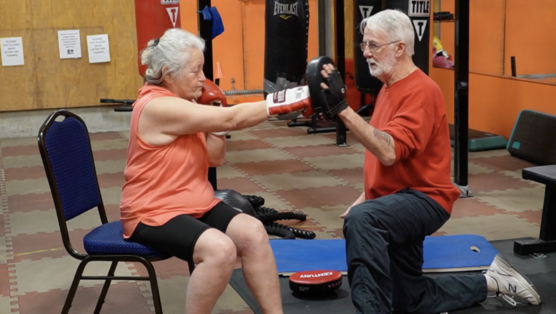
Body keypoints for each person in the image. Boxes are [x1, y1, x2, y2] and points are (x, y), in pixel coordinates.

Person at [314, 9, 541, 314]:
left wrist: (343, 110)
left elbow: (390, 151)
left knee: (364, 220)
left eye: (373, 45)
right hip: (397, 200)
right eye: (364, 45)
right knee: (410, 298)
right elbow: (390, 160)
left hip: (424, 200)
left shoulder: (421, 91)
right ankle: (491, 281)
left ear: (399, 48)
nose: (365, 52)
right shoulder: (387, 89)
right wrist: (365, 196)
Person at [119, 28, 311, 314]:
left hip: (193, 203)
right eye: (195, 71)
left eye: (202, 70)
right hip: (153, 212)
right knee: (220, 251)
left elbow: (214, 157)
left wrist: (214, 117)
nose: (202, 78)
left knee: (254, 233)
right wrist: (290, 99)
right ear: (168, 73)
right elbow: (233, 119)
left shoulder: (188, 104)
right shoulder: (157, 106)